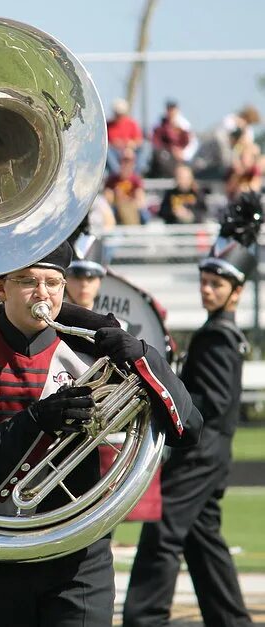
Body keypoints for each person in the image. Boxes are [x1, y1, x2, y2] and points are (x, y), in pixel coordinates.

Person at [0, 241, 202, 627]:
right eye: (27, 282)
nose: (43, 294)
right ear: (0, 287)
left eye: (54, 283)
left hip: (80, 558)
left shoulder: (91, 351)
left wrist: (144, 356)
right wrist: (34, 420)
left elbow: (189, 429)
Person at [122, 194, 261, 627]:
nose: (207, 288)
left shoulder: (219, 337)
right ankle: (231, 619)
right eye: (204, 279)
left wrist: (167, 396)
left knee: (163, 534)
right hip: (212, 452)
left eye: (217, 284)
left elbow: (215, 406)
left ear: (236, 292)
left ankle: (144, 618)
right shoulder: (216, 332)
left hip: (201, 451)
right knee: (203, 540)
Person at [65, 233, 107, 310]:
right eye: (77, 277)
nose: (84, 284)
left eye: (91, 278)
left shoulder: (115, 322)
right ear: (64, 280)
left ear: (100, 281)